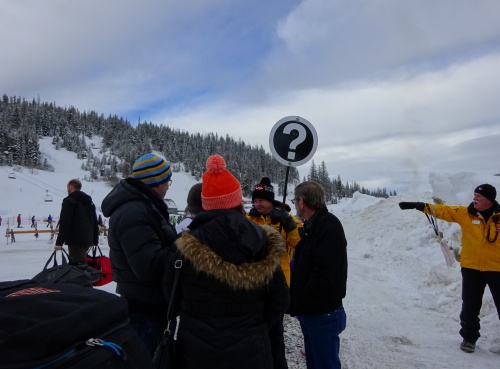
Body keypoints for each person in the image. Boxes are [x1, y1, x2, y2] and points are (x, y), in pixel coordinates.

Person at [166, 154, 289, 369]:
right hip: (251, 350)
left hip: (196, 352)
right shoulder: (261, 239)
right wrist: (255, 323)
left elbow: (170, 296)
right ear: (237, 200)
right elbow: (280, 298)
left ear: (205, 204)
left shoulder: (185, 245)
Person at [399, 183, 500, 353]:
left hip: (496, 269)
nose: (474, 198)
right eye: (474, 195)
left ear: (490, 200)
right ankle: (469, 338)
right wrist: (418, 206)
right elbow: (443, 210)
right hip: (471, 269)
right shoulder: (465, 213)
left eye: (479, 197)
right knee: (470, 307)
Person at [101, 153, 178, 356]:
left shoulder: (143, 207)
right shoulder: (135, 212)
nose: (168, 186)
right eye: (167, 181)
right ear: (157, 182)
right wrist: (184, 245)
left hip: (149, 306)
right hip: (145, 312)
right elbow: (150, 267)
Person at [290, 181, 348, 369]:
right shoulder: (312, 225)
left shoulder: (328, 226)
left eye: (294, 201)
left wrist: (302, 300)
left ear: (301, 202)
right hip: (311, 312)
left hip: (323, 314)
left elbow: (324, 273)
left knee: (325, 365)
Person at [246, 176, 302, 369]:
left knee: (275, 333)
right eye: (255, 200)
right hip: (255, 283)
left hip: (278, 285)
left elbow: (301, 245)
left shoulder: (288, 219)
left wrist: (288, 224)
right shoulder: (249, 219)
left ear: (270, 200)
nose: (257, 204)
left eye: (261, 200)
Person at [54, 179, 99, 265]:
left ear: (71, 187)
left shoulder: (69, 201)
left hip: (75, 240)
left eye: (67, 187)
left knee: (78, 269)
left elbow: (65, 222)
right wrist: (94, 240)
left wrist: (59, 242)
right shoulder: (89, 202)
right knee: (80, 266)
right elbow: (94, 222)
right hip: (87, 239)